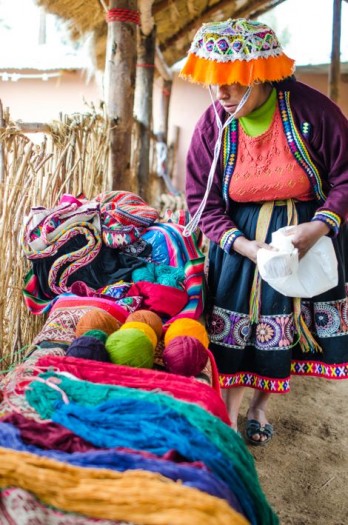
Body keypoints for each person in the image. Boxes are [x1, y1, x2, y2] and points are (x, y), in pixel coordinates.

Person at [179, 18, 348, 445]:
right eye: (214, 82)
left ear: (260, 75)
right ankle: (228, 413)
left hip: (301, 236)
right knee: (234, 328)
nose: (221, 93)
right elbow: (201, 199)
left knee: (281, 326)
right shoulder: (212, 125)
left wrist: (320, 226)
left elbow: (346, 177)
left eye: (232, 82)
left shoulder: (314, 112)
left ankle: (259, 407)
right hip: (239, 241)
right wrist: (243, 246)